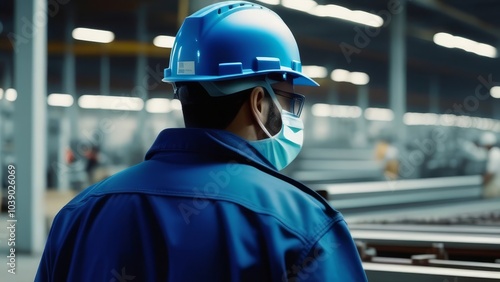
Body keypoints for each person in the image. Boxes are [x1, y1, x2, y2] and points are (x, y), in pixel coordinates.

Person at [36, 1, 367, 281]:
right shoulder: (300, 224)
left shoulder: (79, 214)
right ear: (258, 102)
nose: (290, 115)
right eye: (287, 101)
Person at [479, 132, 500, 198]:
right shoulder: (496, 152)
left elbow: (490, 173)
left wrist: (483, 181)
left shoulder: (493, 154)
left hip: (495, 185)